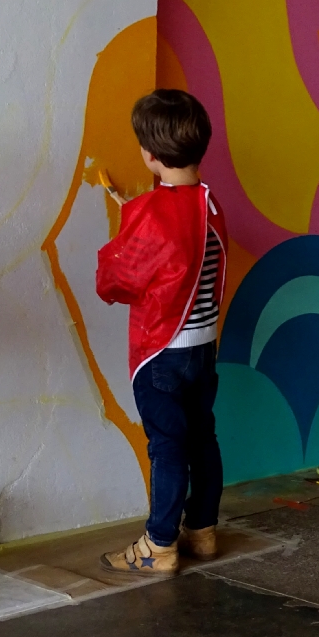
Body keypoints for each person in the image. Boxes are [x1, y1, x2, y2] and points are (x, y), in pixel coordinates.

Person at [95, 89, 228, 575]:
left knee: (167, 447)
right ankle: (204, 531)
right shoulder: (210, 206)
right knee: (202, 439)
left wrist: (129, 226)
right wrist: (140, 214)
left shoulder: (152, 214)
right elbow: (182, 248)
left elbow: (115, 283)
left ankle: (159, 544)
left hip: (162, 355)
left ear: (149, 155)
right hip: (203, 350)